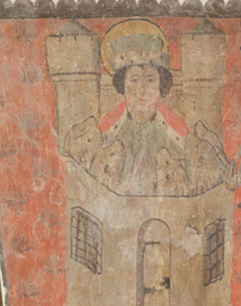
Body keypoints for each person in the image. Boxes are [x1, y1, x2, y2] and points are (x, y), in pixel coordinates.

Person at [63, 18, 227, 196]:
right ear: (123, 85)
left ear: (160, 85)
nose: (141, 90)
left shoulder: (177, 134)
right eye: (134, 80)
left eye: (149, 80)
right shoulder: (106, 132)